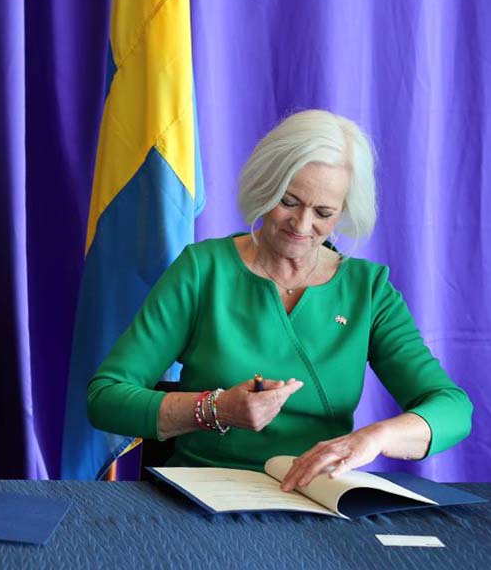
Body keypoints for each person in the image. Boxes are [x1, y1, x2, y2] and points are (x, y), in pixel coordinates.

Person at [87, 110, 472, 491]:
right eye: (288, 201)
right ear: (264, 185)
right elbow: (106, 398)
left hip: (316, 497)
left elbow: (453, 408)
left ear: (343, 213)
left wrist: (373, 438)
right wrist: (216, 409)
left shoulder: (368, 289)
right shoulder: (202, 270)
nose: (302, 226)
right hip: (204, 492)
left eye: (323, 213)